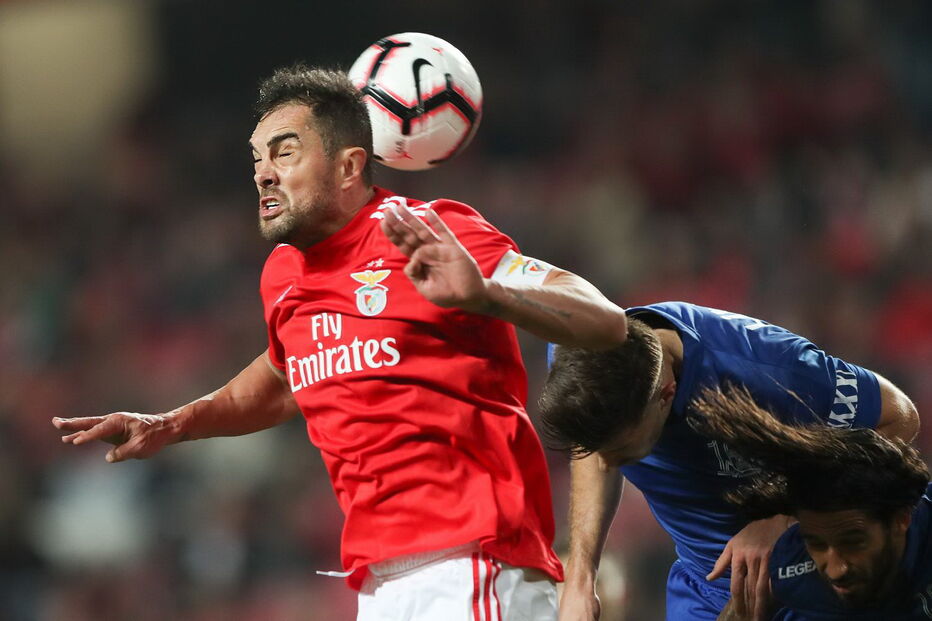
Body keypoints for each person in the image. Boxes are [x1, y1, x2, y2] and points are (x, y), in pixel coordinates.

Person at [52, 64, 629, 621]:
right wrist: (175, 423)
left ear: (350, 166)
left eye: (284, 152)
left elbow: (605, 320)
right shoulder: (283, 274)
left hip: (476, 563)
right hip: (379, 584)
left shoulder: (427, 233)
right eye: (256, 158)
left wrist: (489, 297)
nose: (263, 173)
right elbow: (287, 377)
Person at [539, 301, 919, 621]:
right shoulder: (586, 353)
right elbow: (595, 455)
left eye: (623, 451)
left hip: (815, 574)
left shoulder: (770, 370)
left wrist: (786, 519)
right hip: (702, 585)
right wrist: (580, 578)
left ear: (666, 394)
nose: (608, 462)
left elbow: (900, 417)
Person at [688, 386, 932, 620]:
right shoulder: (789, 564)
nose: (836, 569)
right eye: (816, 545)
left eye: (854, 542)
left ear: (901, 519)